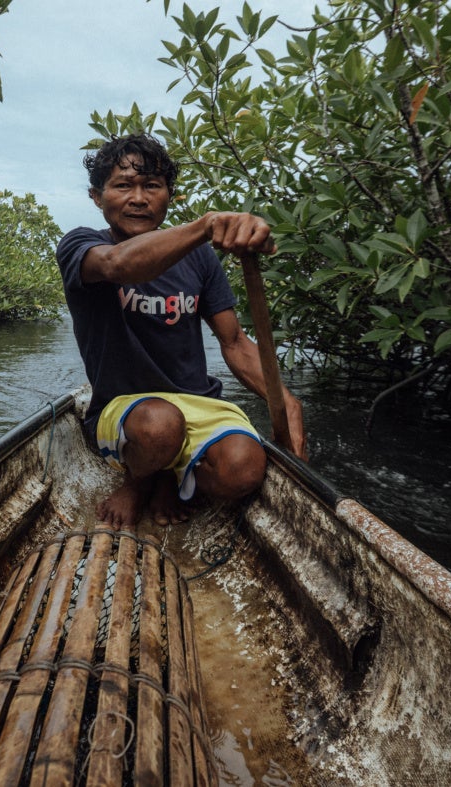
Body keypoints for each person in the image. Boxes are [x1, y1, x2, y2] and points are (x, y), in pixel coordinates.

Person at [55, 133, 307, 530]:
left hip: (196, 402)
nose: (138, 198)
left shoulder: (199, 257)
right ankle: (140, 481)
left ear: (169, 195)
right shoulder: (81, 245)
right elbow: (120, 265)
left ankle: (175, 476)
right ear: (97, 197)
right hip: (127, 411)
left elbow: (235, 342)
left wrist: (287, 402)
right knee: (160, 426)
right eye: (123, 185)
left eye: (152, 186)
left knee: (243, 470)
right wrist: (208, 225)